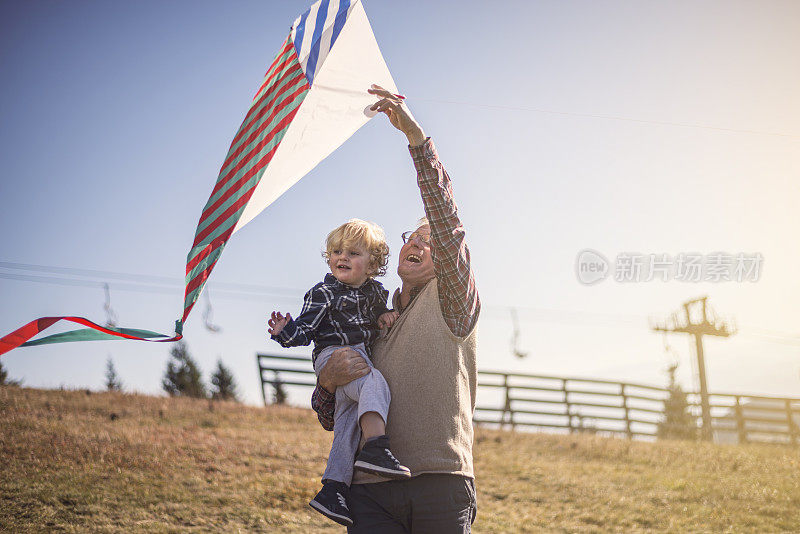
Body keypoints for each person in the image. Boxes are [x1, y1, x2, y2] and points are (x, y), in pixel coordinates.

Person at [310, 84, 480, 533]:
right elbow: (333, 417)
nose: (419, 242)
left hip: (439, 485)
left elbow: (447, 222)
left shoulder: (453, 302)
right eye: (413, 236)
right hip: (368, 493)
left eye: (430, 241)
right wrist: (326, 383)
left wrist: (416, 140)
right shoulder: (368, 317)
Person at [268, 218, 411, 528]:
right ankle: (376, 447)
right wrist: (285, 331)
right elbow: (305, 329)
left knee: (347, 423)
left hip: (355, 360)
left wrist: (385, 316)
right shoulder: (324, 292)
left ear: (372, 264)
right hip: (333, 356)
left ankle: (333, 489)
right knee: (375, 381)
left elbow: (375, 320)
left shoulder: (375, 293)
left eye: (353, 253)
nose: (342, 257)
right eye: (336, 251)